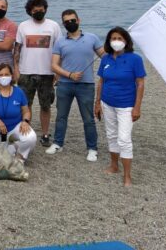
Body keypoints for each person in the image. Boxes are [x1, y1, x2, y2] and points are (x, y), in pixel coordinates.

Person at [47, 10, 105, 161]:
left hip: (86, 85)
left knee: (88, 119)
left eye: (72, 20)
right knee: (61, 116)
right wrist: (69, 75)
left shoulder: (92, 38)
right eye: (66, 21)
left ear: (78, 20)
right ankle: (58, 143)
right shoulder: (60, 41)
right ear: (63, 24)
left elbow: (104, 56)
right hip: (65, 85)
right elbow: (54, 65)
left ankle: (92, 148)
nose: (70, 23)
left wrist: (116, 48)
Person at [95, 27, 146, 187]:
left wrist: (137, 107)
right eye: (113, 38)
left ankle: (127, 176)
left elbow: (140, 83)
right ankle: (114, 165)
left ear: (126, 41)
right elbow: (101, 81)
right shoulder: (106, 58)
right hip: (107, 102)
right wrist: (97, 102)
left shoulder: (135, 59)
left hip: (126, 105)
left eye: (119, 38)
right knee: (111, 134)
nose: (116, 41)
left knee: (124, 139)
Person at [13, 0, 62, 147]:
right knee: (25, 105)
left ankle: (45, 134)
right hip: (26, 72)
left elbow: (59, 50)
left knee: (45, 106)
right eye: (35, 11)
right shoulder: (23, 26)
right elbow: (17, 50)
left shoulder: (54, 26)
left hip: (47, 72)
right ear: (30, 11)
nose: (38, 12)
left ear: (45, 9)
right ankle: (27, 132)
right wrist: (16, 70)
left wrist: (57, 72)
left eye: (41, 10)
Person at [0, 63, 36, 162]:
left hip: (14, 127)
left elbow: (26, 111)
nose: (4, 77)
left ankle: (20, 159)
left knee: (31, 138)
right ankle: (11, 148)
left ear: (12, 76)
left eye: (7, 74)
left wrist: (25, 121)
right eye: (0, 75)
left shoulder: (18, 92)